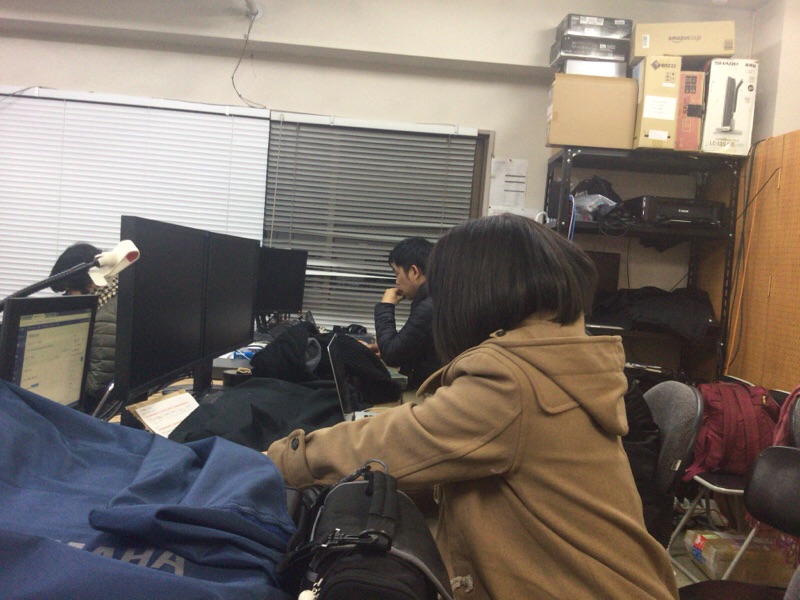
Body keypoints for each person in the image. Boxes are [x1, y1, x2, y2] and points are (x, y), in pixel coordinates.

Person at [267, 214, 678, 599]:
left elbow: (391, 443)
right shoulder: (554, 359)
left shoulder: (513, 381)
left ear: (475, 293)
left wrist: (275, 461)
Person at [50, 243, 117, 414]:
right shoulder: (117, 291)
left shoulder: (102, 319)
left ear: (88, 285)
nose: (67, 298)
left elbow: (96, 386)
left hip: (101, 411)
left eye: (68, 291)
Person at [372, 237, 441, 389]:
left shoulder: (429, 307)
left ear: (414, 272)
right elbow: (412, 347)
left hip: (427, 392)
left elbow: (392, 356)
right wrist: (385, 346)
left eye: (397, 273)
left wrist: (386, 306)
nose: (396, 281)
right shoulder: (434, 297)